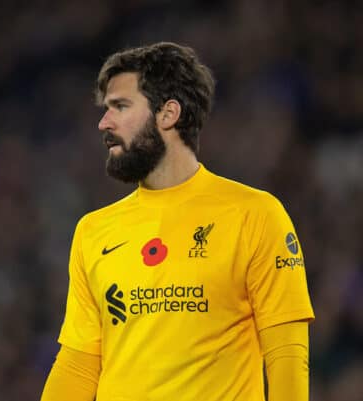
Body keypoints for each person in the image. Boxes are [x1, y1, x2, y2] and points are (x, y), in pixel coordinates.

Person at [40, 42, 314, 401]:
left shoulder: (255, 215)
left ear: (168, 114)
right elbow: (78, 365)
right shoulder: (93, 231)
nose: (104, 123)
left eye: (120, 106)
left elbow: (286, 353)